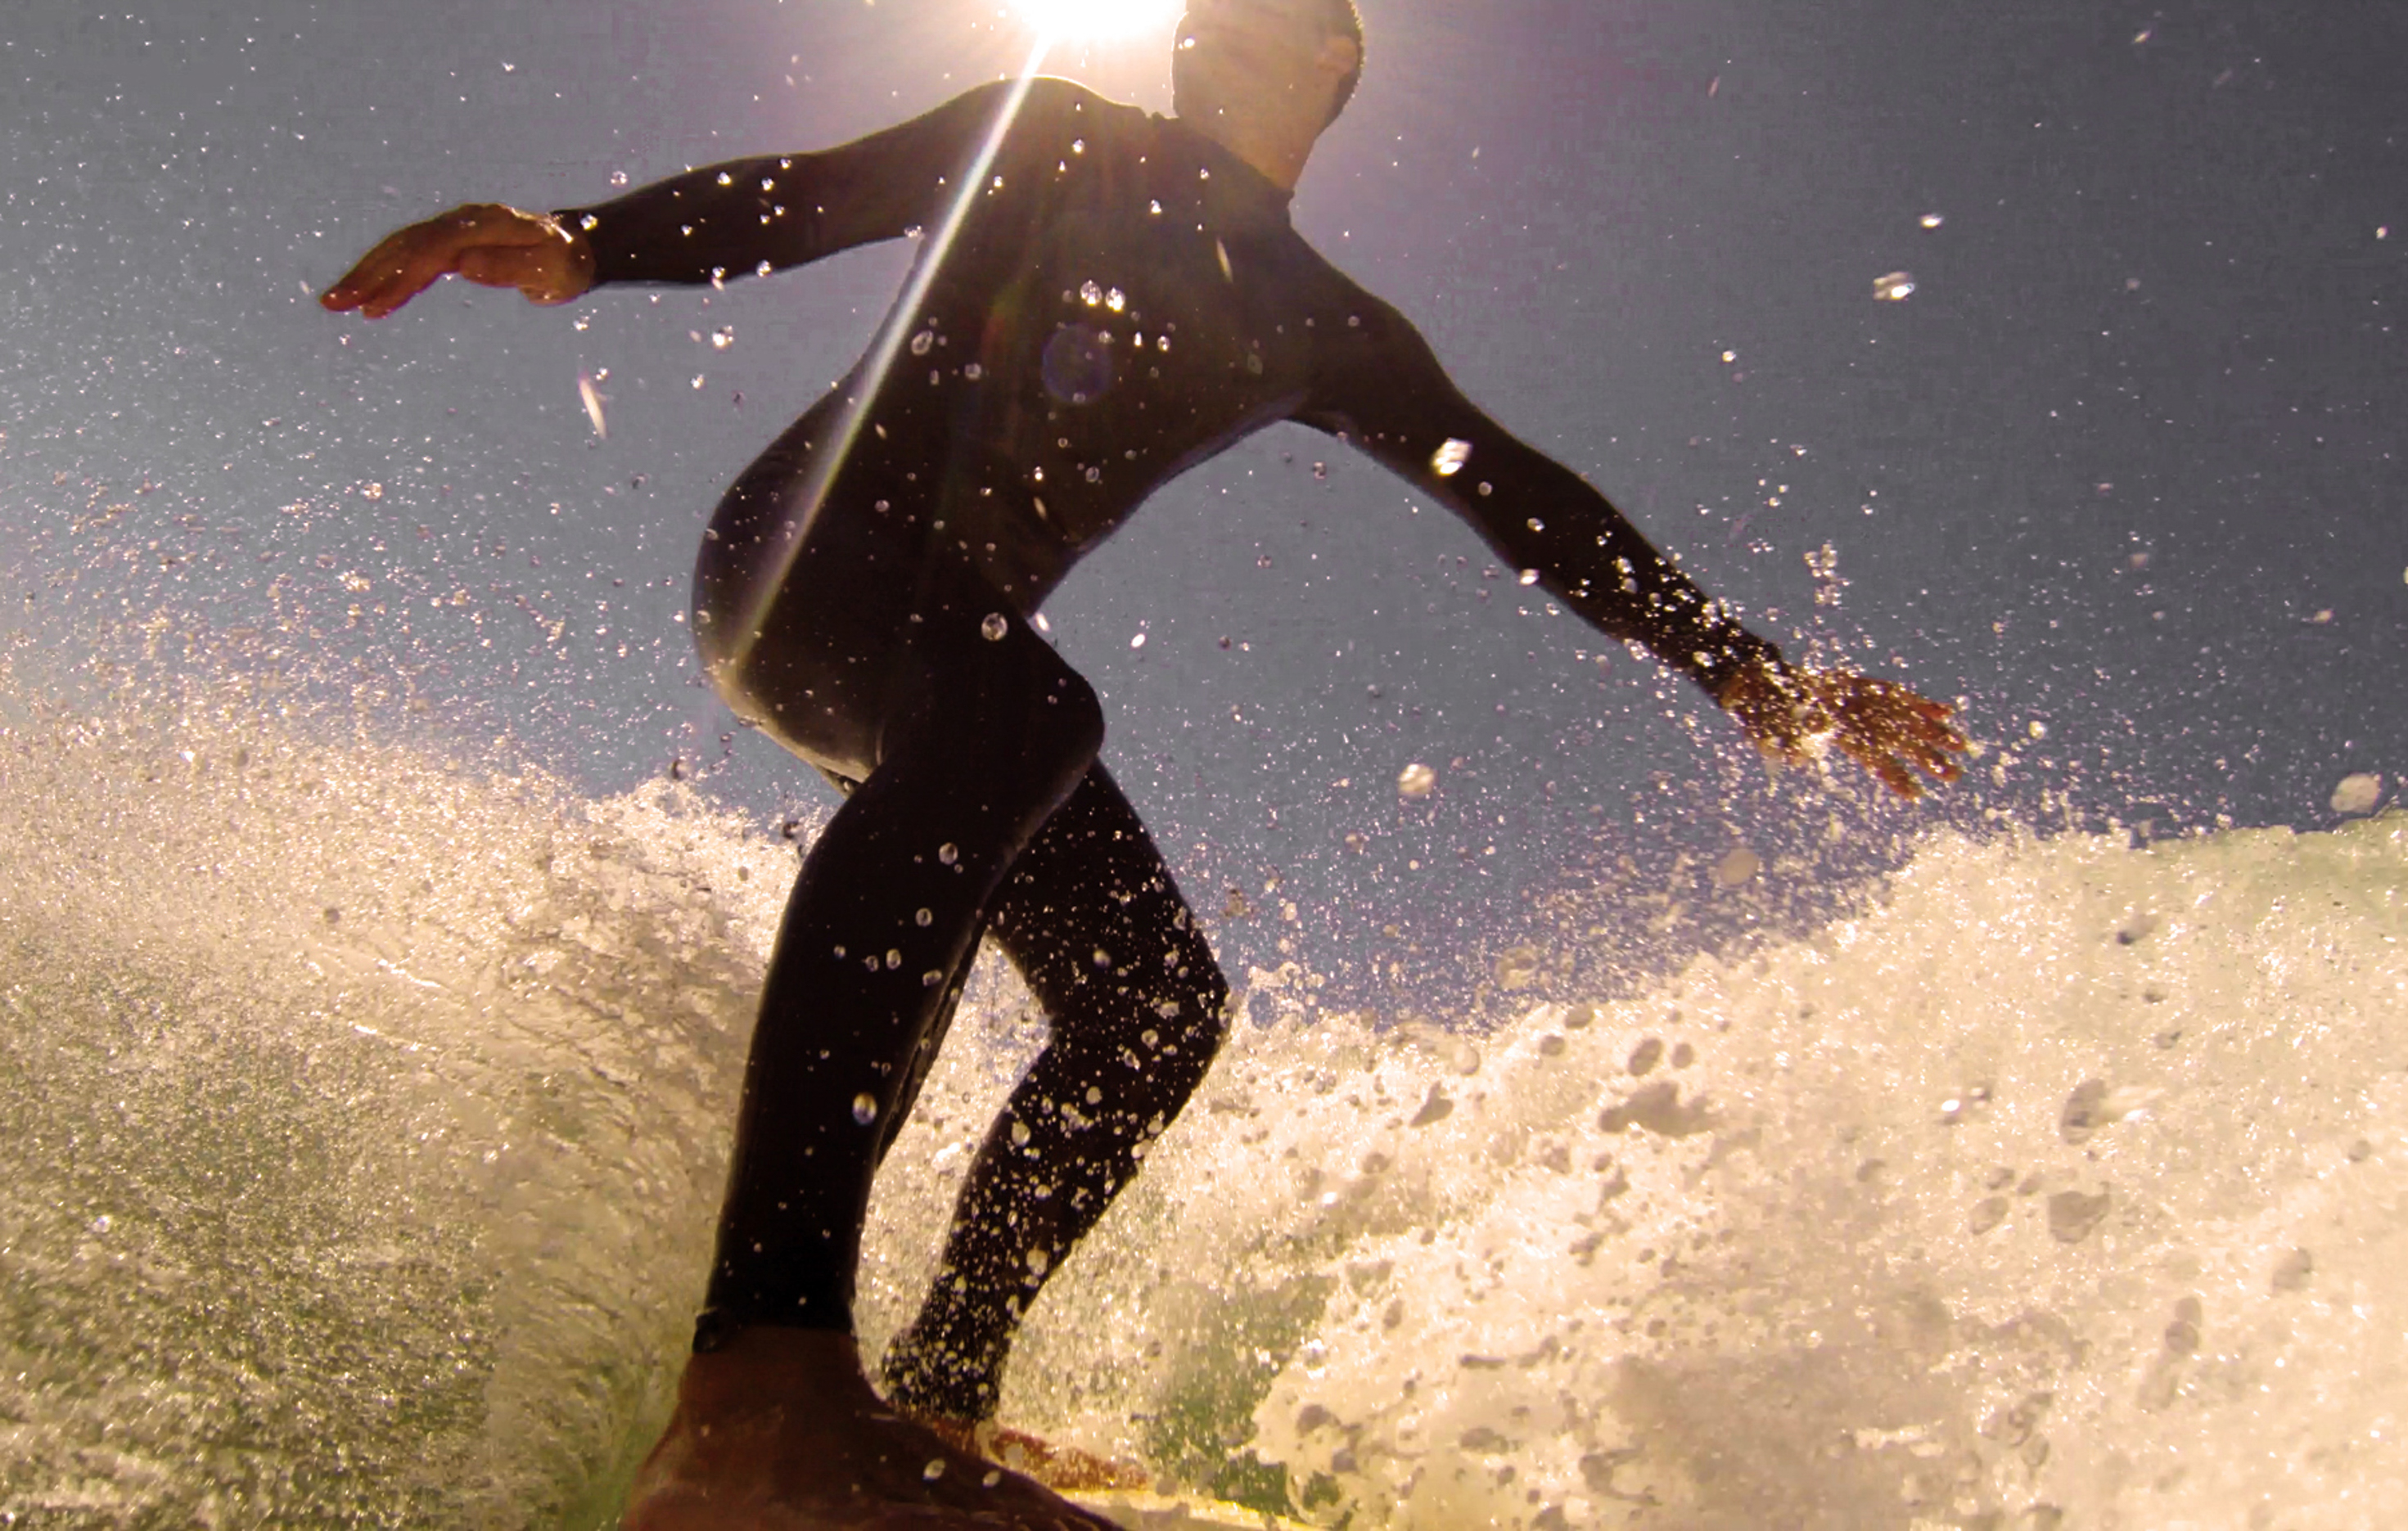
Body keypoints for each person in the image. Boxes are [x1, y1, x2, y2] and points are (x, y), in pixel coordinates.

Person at [321, 0, 1966, 1524]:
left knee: (1152, 1011)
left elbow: (1520, 496)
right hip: (808, 565)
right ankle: (760, 1374)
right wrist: (588, 243)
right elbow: (809, 196)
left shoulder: (1329, 328)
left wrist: (1751, 671)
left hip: (942, 662)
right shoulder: (1050, 134)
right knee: (1027, 720)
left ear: (1337, 69)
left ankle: (941, 1401)